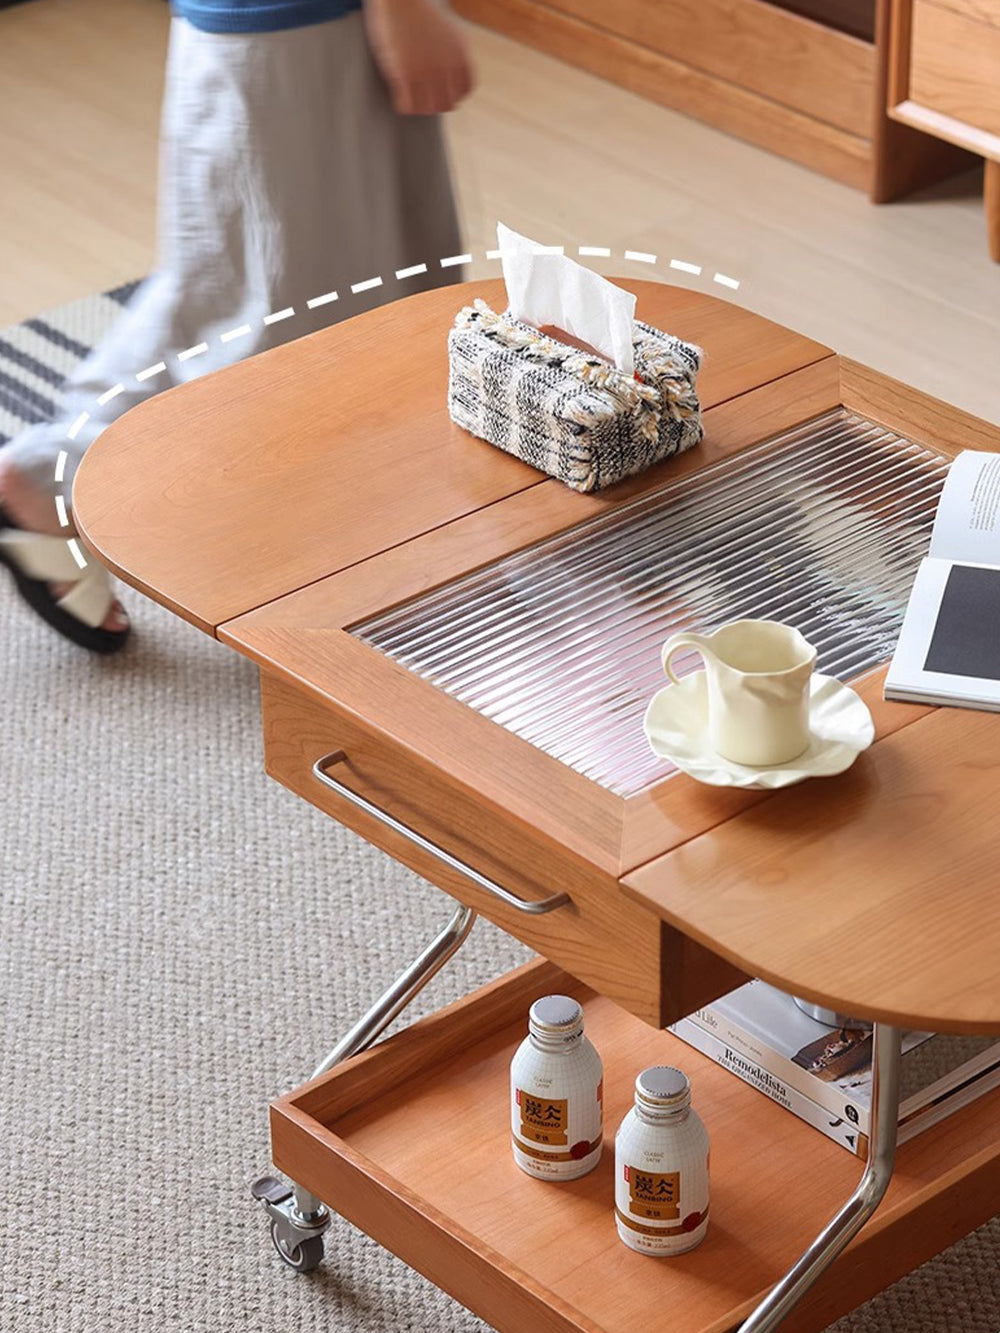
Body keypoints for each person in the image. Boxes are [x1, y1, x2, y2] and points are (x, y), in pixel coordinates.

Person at [0, 0, 474, 652]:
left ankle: (379, 527)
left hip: (299, 21)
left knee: (352, 291)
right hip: (299, 21)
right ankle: (56, 472)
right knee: (295, 332)